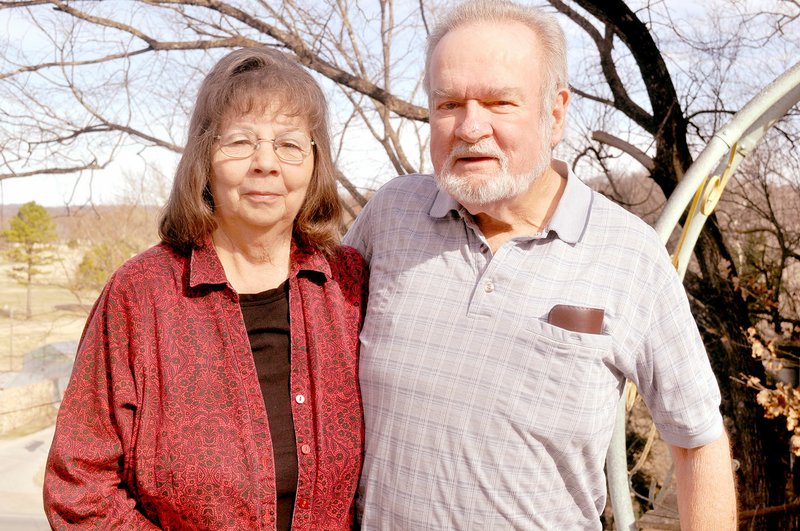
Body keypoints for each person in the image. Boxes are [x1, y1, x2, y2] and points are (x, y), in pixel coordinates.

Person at [344, 1, 737, 529]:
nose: (469, 127)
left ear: (555, 112)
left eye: (500, 102)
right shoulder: (390, 216)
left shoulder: (629, 254)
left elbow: (696, 441)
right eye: (448, 104)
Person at [44, 47, 366, 530]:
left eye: (289, 144)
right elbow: (78, 486)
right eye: (240, 142)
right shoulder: (141, 295)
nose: (266, 163)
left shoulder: (349, 287)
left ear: (314, 164)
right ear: (205, 157)